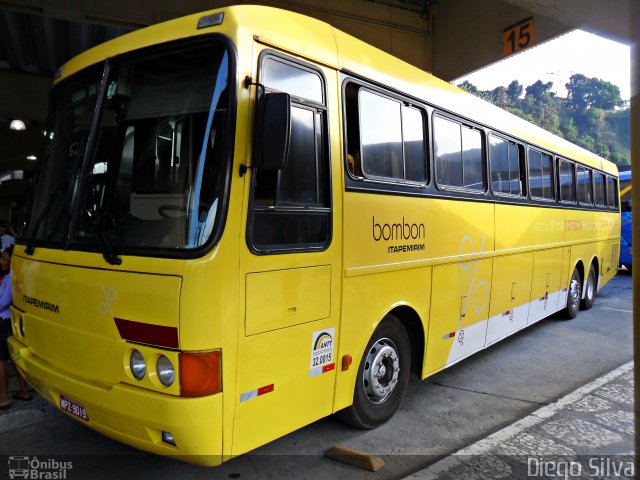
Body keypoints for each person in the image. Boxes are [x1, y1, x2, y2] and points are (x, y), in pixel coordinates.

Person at [0, 245, 31, 409]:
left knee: (1, 360)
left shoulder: (12, 276)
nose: (1, 262)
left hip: (4, 320)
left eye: (4, 258)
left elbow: (4, 301)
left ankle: (3, 398)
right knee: (14, 358)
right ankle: (24, 391)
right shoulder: (11, 276)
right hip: (10, 320)